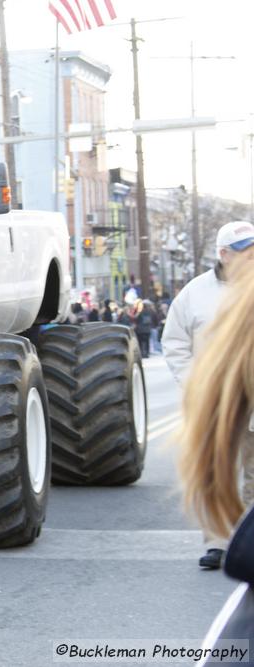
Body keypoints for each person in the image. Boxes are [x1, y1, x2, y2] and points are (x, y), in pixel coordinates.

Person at [164, 220, 254, 569]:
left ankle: (247, 540)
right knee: (219, 474)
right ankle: (218, 542)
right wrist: (194, 385)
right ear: (224, 254)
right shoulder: (195, 293)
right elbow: (175, 343)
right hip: (216, 400)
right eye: (246, 251)